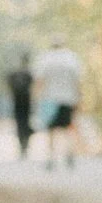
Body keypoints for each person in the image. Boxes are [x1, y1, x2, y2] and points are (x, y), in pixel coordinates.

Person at [31, 40, 83, 171]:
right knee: (67, 128)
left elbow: (39, 81)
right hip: (68, 99)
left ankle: (50, 158)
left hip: (49, 99)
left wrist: (36, 99)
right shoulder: (71, 59)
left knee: (50, 130)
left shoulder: (45, 59)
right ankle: (69, 154)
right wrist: (79, 99)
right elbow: (77, 81)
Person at [5, 53, 34, 160]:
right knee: (26, 123)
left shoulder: (13, 74)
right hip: (26, 102)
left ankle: (22, 145)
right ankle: (24, 144)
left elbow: (8, 86)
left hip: (17, 102)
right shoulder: (29, 74)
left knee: (19, 123)